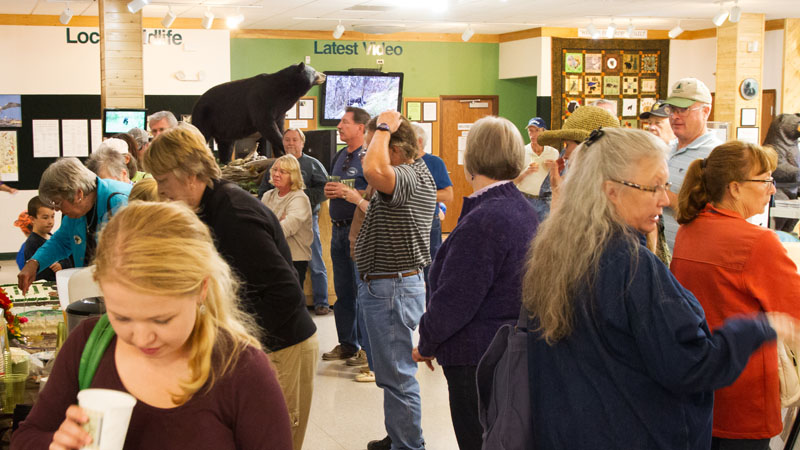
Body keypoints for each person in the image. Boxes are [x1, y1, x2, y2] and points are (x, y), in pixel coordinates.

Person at [523, 127, 795, 450]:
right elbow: (691, 365)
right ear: (612, 191)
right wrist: (758, 329)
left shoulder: (554, 251)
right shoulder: (631, 266)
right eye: (653, 187)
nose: (665, 199)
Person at [11, 201, 293, 450]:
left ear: (201, 290)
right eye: (121, 316)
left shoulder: (240, 368)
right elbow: (27, 437)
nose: (142, 337)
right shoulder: (89, 344)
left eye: (162, 319)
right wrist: (55, 444)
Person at [142, 125, 317, 450]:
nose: (160, 191)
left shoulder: (233, 215)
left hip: (282, 347)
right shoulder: (209, 206)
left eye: (163, 181)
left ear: (190, 173)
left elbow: (286, 293)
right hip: (259, 347)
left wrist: (236, 346)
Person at [413, 116, 538, 450]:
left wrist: (427, 341)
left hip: (476, 358)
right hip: (504, 351)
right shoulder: (521, 208)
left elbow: (455, 299)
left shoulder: (485, 219)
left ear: (470, 161)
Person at [671, 141, 800, 449]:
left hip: (702, 388)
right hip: (746, 396)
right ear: (735, 188)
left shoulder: (689, 230)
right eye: (765, 179)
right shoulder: (758, 243)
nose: (772, 188)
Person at [355, 110, 436, 450]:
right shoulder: (406, 174)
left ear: (397, 151)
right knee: (392, 377)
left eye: (373, 144)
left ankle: (409, 446)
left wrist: (384, 127)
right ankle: (398, 438)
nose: (365, 153)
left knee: (399, 377)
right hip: (387, 288)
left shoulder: (408, 176)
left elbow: (373, 169)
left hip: (393, 290)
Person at [17, 158, 131, 293]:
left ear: (78, 194)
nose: (57, 209)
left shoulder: (119, 202)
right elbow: (61, 241)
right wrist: (34, 263)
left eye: (58, 202)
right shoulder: (77, 211)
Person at [258, 128, 331, 316]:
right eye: (287, 140)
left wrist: (305, 199)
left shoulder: (313, 164)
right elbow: (263, 194)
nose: (290, 143)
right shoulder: (274, 168)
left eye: (294, 140)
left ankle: (322, 301)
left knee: (315, 262)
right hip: (280, 228)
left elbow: (324, 189)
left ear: (302, 142)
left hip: (307, 220)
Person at [322, 106, 370, 366]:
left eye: (344, 122)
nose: (339, 126)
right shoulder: (340, 155)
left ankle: (365, 348)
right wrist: (331, 189)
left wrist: (352, 193)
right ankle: (348, 344)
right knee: (343, 291)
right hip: (337, 228)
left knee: (360, 289)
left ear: (360, 128)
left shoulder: (371, 157)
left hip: (359, 230)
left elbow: (376, 192)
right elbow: (336, 184)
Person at [661, 77, 722, 249]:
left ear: (706, 111)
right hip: (659, 259)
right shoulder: (665, 149)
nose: (674, 116)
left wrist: (670, 198)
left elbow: (719, 213)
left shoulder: (716, 155)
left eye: (683, 109)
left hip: (689, 258)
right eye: (672, 109)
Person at [410, 123, 453, 298]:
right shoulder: (398, 162)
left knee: (430, 272)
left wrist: (417, 194)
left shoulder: (435, 162)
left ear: (419, 141)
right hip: (404, 224)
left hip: (429, 224)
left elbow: (447, 195)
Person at [261, 154, 314, 290]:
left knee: (290, 306)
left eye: (283, 172)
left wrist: (272, 224)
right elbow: (260, 226)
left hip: (293, 260)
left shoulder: (299, 198)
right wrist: (278, 221)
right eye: (274, 170)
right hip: (271, 258)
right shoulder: (268, 195)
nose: (276, 174)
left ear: (293, 176)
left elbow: (284, 230)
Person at [515, 117, 560, 222]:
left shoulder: (553, 153)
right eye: (530, 130)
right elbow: (512, 182)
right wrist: (526, 172)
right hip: (524, 200)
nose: (533, 134)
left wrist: (554, 169)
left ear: (544, 132)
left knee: (543, 234)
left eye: (537, 130)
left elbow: (558, 182)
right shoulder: (520, 152)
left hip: (546, 201)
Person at [21, 196, 73, 282]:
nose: (50, 221)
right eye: (45, 217)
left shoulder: (52, 237)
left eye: (52, 216)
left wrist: (62, 265)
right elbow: (39, 274)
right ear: (32, 219)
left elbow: (66, 259)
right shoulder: (32, 244)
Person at [763, 114, 800, 232]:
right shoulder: (775, 146)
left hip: (792, 190)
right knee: (781, 213)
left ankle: (786, 236)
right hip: (777, 189)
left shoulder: (792, 144)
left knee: (792, 218)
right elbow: (777, 168)